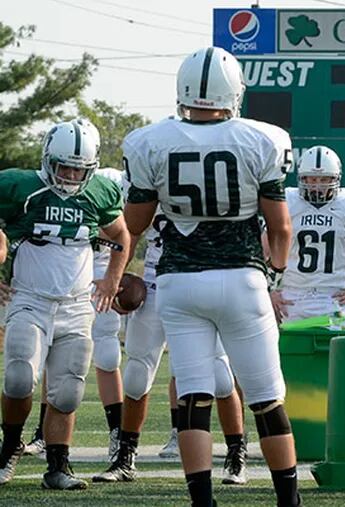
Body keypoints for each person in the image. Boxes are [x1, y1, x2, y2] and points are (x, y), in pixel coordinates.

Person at [122, 46, 300, 507]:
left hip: (179, 283)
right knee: (266, 398)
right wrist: (276, 274)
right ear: (234, 92)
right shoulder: (261, 139)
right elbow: (280, 228)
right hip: (241, 279)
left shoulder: (151, 141)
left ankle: (202, 502)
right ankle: (288, 500)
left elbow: (136, 223)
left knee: (193, 399)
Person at [0, 120, 129, 489]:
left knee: (69, 389)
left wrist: (113, 279)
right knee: (19, 378)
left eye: (79, 169)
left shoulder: (100, 190)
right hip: (29, 298)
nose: (71, 175)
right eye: (64, 167)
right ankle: (10, 447)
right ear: (47, 159)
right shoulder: (20, 186)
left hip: (76, 304)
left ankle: (58, 466)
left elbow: (121, 235)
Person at [93, 202, 249, 486]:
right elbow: (131, 232)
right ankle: (125, 457)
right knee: (137, 376)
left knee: (221, 378)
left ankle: (236, 453)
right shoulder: (151, 185)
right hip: (156, 282)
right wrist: (116, 278)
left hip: (201, 282)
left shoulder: (214, 187)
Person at [25, 168, 128, 459]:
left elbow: (123, 234)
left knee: (107, 356)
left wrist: (116, 278)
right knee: (53, 351)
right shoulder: (57, 186)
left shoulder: (112, 185)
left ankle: (118, 434)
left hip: (99, 272)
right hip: (67, 272)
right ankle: (43, 433)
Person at [270, 145, 345, 329]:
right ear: (302, 178)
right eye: (312, 178)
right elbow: (262, 251)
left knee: (341, 348)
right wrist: (269, 290)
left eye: (324, 179)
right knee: (293, 349)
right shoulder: (289, 202)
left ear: (335, 179)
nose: (317, 185)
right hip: (293, 298)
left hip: (335, 298)